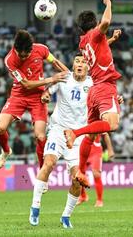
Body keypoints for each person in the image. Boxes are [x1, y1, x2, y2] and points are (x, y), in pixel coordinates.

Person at [64, 0, 123, 188]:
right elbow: (106, 21)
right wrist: (108, 4)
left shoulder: (83, 42)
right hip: (105, 86)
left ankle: (80, 170)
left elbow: (97, 48)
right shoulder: (97, 33)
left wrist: (110, 40)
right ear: (95, 24)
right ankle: (75, 132)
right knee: (111, 125)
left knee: (91, 136)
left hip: (94, 91)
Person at [29, 55, 91, 229]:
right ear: (73, 64)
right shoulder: (64, 78)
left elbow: (106, 99)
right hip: (58, 130)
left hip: (78, 136)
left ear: (88, 67)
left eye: (83, 62)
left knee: (77, 178)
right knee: (48, 164)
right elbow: (47, 92)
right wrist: (45, 97)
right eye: (77, 61)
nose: (79, 64)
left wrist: (117, 100)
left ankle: (65, 216)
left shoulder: (93, 84)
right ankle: (35, 207)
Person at [0, 30, 68, 169]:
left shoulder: (41, 49)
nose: (23, 57)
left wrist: (71, 77)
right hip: (19, 95)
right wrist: (51, 79)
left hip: (37, 98)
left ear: (31, 48)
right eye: (20, 54)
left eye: (26, 54)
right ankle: (5, 151)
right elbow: (26, 84)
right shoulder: (10, 59)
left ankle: (42, 172)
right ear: (15, 48)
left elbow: (56, 62)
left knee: (40, 137)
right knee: (0, 129)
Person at [77, 133, 114, 207]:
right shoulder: (78, 122)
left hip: (95, 152)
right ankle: (83, 196)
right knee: (78, 174)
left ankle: (99, 200)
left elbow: (105, 134)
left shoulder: (95, 121)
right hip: (83, 150)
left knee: (96, 174)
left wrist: (110, 150)